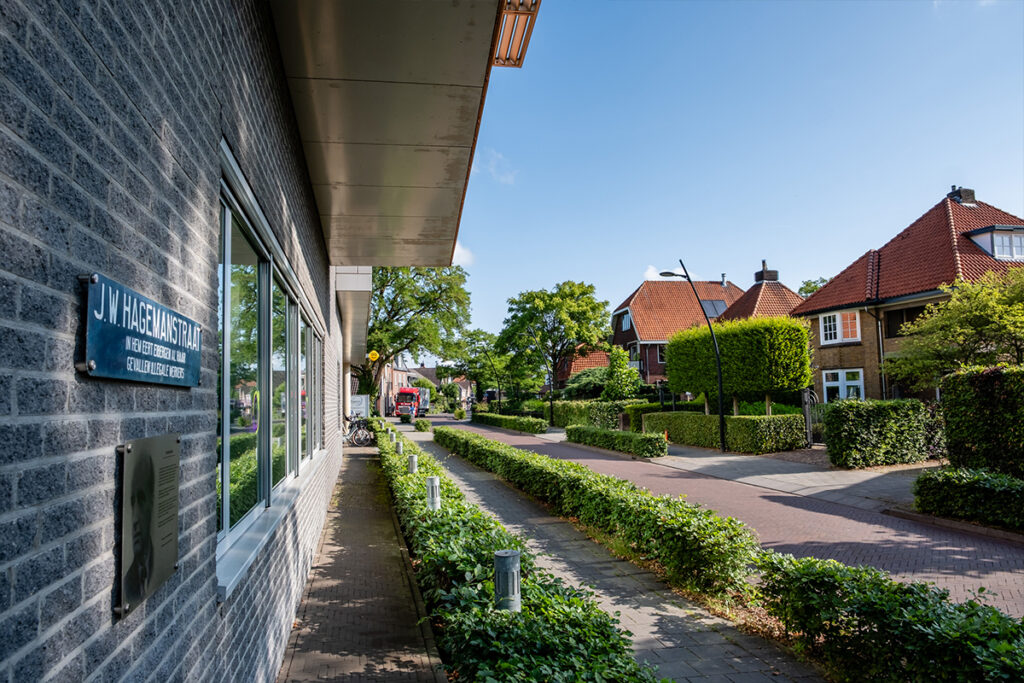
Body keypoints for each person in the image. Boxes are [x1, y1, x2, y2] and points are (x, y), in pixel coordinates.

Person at [122, 452, 155, 610]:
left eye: (141, 499)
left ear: (153, 501)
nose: (134, 517)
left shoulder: (160, 564)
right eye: (132, 501)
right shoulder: (127, 583)